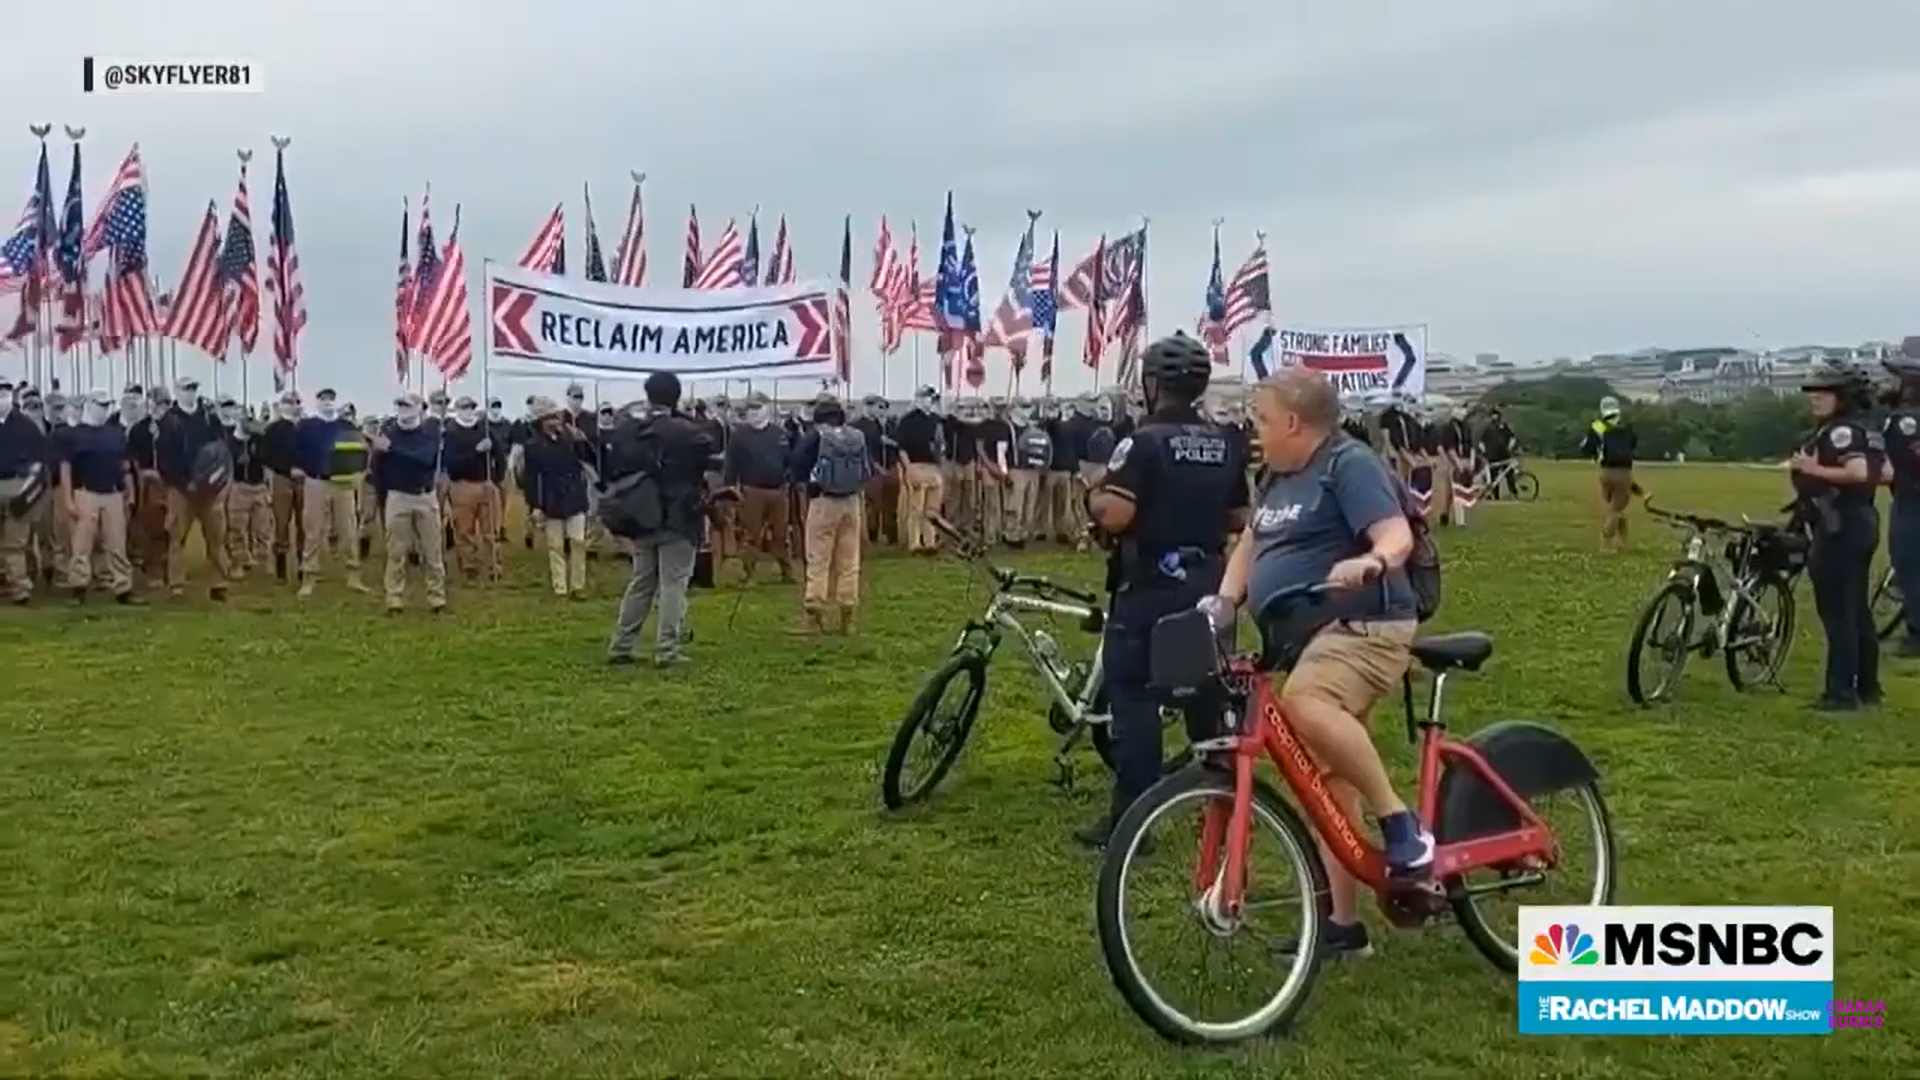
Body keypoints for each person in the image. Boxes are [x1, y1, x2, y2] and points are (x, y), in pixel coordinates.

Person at [1205, 365, 1430, 956]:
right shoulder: (1277, 478)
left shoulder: (1346, 464)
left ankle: (1399, 823)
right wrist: (1224, 603)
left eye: (1262, 419)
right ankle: (1344, 926)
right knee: (1324, 779)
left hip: (1365, 625)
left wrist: (1373, 561)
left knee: (1306, 704)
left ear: (1295, 422)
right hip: (1306, 636)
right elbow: (1251, 546)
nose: (1255, 430)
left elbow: (1395, 535)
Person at [1078, 332, 1250, 847]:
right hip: (1209, 584)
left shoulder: (1143, 441)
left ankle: (1134, 821)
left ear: (1153, 384)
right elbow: (1240, 516)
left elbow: (1117, 511)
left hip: (1149, 584)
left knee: (1133, 701)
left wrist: (1093, 499)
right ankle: (1219, 813)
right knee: (1209, 698)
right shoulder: (1225, 442)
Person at [605, 372, 712, 666]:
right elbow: (706, 457)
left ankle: (621, 644)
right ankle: (667, 649)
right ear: (676, 396)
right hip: (679, 515)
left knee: (641, 583)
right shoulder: (688, 432)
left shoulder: (629, 431)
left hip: (640, 513)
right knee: (673, 585)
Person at [1793, 362, 1883, 711]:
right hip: (1860, 520)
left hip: (1840, 524)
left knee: (1838, 615)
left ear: (1843, 397)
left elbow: (1858, 472)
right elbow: (1885, 470)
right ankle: (1868, 686)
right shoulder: (1867, 428)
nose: (1814, 399)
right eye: (1812, 393)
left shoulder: (1840, 432)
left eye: (1823, 393)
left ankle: (1841, 692)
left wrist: (1812, 469)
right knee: (1857, 610)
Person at [792, 395, 872, 633]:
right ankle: (847, 614)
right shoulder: (856, 437)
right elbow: (867, 467)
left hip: (824, 501)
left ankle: (814, 612)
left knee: (819, 558)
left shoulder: (816, 437)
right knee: (849, 561)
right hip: (852, 501)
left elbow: (796, 464)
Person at [57, 389, 140, 605]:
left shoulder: (116, 434)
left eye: (106, 406)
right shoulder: (74, 435)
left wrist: (130, 492)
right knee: (82, 545)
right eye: (100, 405)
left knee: (116, 544)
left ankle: (123, 588)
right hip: (85, 493)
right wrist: (68, 499)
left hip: (113, 494)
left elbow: (125, 464)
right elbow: (65, 468)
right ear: (90, 405)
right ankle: (78, 587)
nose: (104, 410)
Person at [369, 393, 448, 614]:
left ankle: (437, 599)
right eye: (400, 404)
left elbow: (424, 458)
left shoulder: (430, 433)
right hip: (397, 496)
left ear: (420, 409)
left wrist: (392, 449)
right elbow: (378, 469)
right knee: (396, 553)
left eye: (408, 405)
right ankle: (394, 599)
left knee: (432, 553)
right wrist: (384, 498)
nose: (403, 409)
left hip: (425, 496)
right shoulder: (389, 433)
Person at [154, 378, 230, 601]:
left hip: (209, 489)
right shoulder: (169, 421)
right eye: (186, 389)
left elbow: (221, 452)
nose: (191, 392)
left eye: (194, 388)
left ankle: (219, 583)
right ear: (177, 391)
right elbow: (165, 458)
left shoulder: (209, 418)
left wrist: (218, 481)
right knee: (177, 536)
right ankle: (177, 584)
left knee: (216, 537)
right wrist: (184, 482)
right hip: (181, 488)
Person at [292, 388, 371, 598]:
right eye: (323, 399)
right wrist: (299, 467)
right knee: (313, 530)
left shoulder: (346, 426)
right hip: (316, 481)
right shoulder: (306, 426)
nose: (327, 402)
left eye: (330, 398)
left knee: (349, 529)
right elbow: (296, 451)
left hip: (343, 484)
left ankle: (353, 575)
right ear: (317, 401)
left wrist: (358, 473)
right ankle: (309, 576)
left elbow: (359, 451)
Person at [521, 398, 591, 599]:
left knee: (578, 542)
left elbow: (588, 459)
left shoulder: (571, 438)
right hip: (550, 502)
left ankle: (578, 586)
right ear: (542, 421)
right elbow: (531, 479)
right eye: (551, 417)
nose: (557, 420)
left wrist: (583, 442)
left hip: (575, 499)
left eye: (557, 416)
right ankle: (560, 587)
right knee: (556, 546)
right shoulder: (533, 446)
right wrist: (535, 505)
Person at [722, 390, 794, 583]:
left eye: (757, 408)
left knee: (781, 533)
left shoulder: (780, 434)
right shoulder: (739, 436)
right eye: (750, 408)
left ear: (767, 409)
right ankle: (747, 571)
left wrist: (790, 479)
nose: (752, 412)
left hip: (778, 491)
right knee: (751, 533)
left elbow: (790, 461)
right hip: (751, 490)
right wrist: (730, 487)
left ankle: (787, 571)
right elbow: (731, 463)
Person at [1881, 354, 1920, 656]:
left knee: (1908, 564)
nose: (1888, 383)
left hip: (1912, 499)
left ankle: (1917, 632)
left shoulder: (1905, 422)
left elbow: (1896, 463)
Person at [0, 379, 49, 603]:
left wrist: (31, 489)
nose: (2, 397)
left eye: (4, 393)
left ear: (12, 396)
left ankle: (20, 589)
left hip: (18, 486)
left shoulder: (27, 426)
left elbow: (40, 459)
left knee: (15, 542)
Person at [442, 395, 501, 584]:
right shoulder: (451, 432)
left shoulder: (486, 430)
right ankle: (469, 566)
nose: (469, 410)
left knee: (490, 529)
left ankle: (494, 566)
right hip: (462, 485)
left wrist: (496, 478)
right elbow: (452, 464)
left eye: (472, 406)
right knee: (464, 530)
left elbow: (500, 456)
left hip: (486, 483)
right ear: (457, 409)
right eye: (465, 407)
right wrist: (476, 451)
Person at [218, 394, 272, 579]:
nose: (250, 423)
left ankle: (262, 560)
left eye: (250, 418)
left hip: (258, 488)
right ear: (238, 420)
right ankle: (238, 562)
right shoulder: (229, 443)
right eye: (245, 419)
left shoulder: (259, 440)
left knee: (263, 529)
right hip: (238, 488)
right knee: (236, 529)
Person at [1578, 395, 1637, 552]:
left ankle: (1623, 543)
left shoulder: (1598, 426)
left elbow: (1587, 448)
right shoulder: (1626, 426)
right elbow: (1633, 444)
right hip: (1624, 471)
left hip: (1606, 472)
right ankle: (1606, 543)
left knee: (1614, 508)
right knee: (1616, 509)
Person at [892, 386, 946, 554]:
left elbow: (941, 443)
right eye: (927, 397)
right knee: (916, 507)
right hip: (916, 464)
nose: (930, 401)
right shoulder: (908, 420)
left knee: (932, 508)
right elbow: (901, 447)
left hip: (933, 466)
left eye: (932, 398)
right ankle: (915, 542)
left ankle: (930, 541)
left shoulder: (936, 419)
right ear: (918, 398)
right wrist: (909, 468)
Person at [262, 390, 303, 581]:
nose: (292, 405)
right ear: (282, 405)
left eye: (295, 402)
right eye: (288, 402)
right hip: (282, 479)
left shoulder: (305, 427)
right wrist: (287, 469)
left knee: (305, 524)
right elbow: (267, 456)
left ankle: (303, 566)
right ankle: (281, 569)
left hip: (304, 480)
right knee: (281, 523)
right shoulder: (273, 429)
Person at [852, 396, 900, 548]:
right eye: (877, 407)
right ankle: (872, 534)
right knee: (874, 505)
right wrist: (876, 466)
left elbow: (900, 443)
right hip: (872, 470)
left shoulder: (889, 425)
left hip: (891, 467)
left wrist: (889, 442)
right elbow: (863, 450)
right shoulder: (858, 426)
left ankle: (891, 534)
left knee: (891, 503)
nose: (880, 411)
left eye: (883, 408)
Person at [1006, 398, 1052, 547]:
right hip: (1017, 469)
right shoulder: (1009, 427)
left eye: (1028, 407)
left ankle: (1024, 533)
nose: (1026, 410)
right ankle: (1012, 534)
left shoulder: (1034, 429)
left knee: (1030, 504)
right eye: (1023, 407)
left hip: (1033, 470)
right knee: (1016, 504)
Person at [974, 399, 1013, 546]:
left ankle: (1000, 531)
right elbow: (980, 448)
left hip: (1002, 467)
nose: (999, 410)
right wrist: (990, 466)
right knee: (990, 503)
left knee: (1003, 502)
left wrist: (1005, 470)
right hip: (988, 467)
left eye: (1002, 408)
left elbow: (1007, 450)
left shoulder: (1005, 426)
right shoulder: (983, 426)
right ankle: (989, 535)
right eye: (997, 407)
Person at [1476, 407, 1518, 498]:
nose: (1495, 416)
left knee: (1509, 474)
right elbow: (1481, 441)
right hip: (1492, 455)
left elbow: (1512, 437)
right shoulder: (1487, 428)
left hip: (1504, 454)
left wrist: (1510, 446)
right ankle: (1495, 495)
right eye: (1493, 415)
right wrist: (1483, 451)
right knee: (1493, 476)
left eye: (1496, 414)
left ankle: (1514, 492)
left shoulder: (1504, 426)